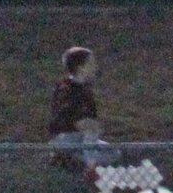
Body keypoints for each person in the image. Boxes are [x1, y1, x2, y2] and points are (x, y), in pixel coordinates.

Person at [48, 46, 120, 177]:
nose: (95, 67)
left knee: (114, 153)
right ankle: (90, 169)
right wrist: (87, 125)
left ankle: (68, 158)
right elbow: (68, 118)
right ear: (80, 67)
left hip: (80, 138)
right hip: (65, 137)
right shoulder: (66, 88)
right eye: (91, 63)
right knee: (91, 132)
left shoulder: (84, 88)